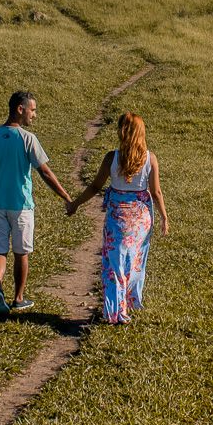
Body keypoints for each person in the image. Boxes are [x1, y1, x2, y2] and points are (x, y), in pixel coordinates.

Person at [67, 112, 169, 324]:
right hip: (141, 217)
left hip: (117, 217)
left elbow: (95, 186)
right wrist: (164, 217)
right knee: (134, 261)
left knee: (115, 264)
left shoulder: (111, 158)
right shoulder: (150, 158)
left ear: (122, 132)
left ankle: (115, 310)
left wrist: (76, 203)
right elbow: (156, 192)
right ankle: (128, 302)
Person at [0, 90, 72, 316]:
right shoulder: (28, 139)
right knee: (21, 252)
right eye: (33, 110)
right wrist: (66, 197)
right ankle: (18, 298)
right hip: (20, 205)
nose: (34, 115)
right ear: (20, 109)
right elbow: (45, 173)